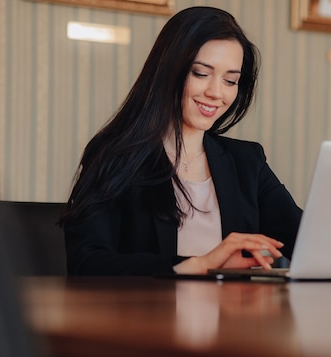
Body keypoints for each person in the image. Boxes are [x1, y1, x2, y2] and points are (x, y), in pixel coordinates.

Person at [59, 6, 303, 276]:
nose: (216, 93)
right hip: (149, 316)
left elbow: (306, 239)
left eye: (230, 80)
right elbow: (86, 262)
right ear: (169, 71)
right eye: (201, 74)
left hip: (233, 317)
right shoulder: (115, 155)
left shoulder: (247, 161)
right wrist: (200, 264)